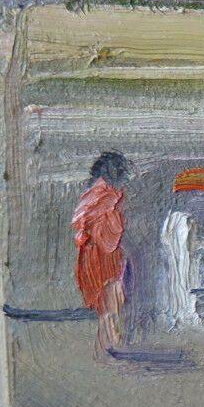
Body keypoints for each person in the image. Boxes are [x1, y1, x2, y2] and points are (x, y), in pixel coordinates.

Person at [74, 152, 130, 360]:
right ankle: (107, 347)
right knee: (109, 301)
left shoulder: (92, 196)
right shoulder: (105, 197)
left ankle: (108, 345)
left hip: (94, 255)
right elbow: (109, 236)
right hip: (102, 257)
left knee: (109, 302)